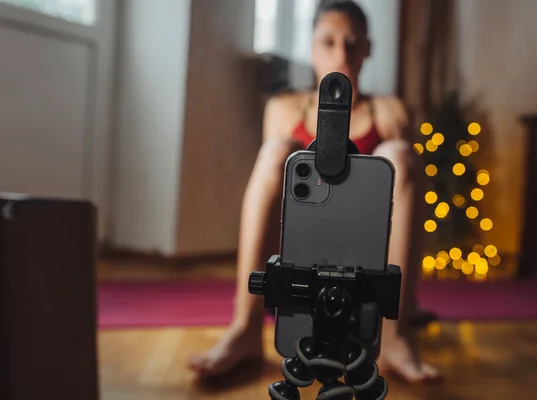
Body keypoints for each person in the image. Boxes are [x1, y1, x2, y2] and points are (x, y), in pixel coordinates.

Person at [188, 0, 439, 383]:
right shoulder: (285, 108)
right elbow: (275, 197)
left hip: (365, 257)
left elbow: (402, 197)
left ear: (368, 49)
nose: (342, 54)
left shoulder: (390, 111)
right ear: (312, 48)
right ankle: (245, 326)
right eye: (329, 41)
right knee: (276, 152)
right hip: (301, 250)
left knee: (401, 155)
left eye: (353, 43)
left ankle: (393, 333)